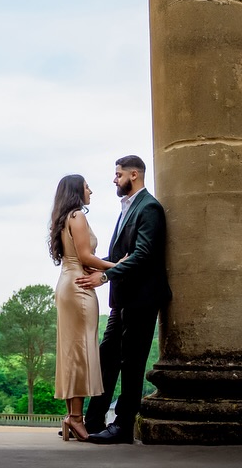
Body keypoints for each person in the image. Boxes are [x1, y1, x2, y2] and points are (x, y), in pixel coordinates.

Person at [74, 154, 170, 445]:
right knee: (108, 356)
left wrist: (104, 277)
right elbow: (121, 256)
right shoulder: (129, 207)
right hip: (123, 298)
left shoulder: (150, 207)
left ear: (134, 175)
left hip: (142, 297)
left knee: (132, 361)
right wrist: (101, 264)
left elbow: (143, 255)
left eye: (118, 175)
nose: (114, 180)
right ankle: (92, 422)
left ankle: (124, 426)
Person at [48, 174, 113, 441]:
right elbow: (86, 256)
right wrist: (119, 266)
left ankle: (71, 416)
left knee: (72, 350)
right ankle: (76, 418)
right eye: (87, 186)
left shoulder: (64, 219)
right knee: (81, 351)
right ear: (77, 191)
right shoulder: (78, 216)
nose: (91, 191)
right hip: (80, 288)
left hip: (68, 283)